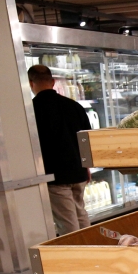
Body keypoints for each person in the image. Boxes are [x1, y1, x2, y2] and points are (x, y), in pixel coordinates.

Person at [28, 64, 92, 235]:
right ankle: (92, 249)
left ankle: (75, 258)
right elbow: (87, 139)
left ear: (30, 83)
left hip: (54, 176)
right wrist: (87, 167)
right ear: (53, 82)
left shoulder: (31, 111)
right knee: (81, 214)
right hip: (79, 171)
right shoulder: (74, 106)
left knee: (67, 221)